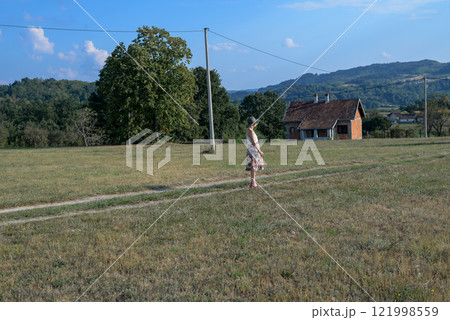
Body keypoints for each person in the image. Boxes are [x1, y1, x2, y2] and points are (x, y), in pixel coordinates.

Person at [246, 116, 264, 188]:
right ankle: (253, 183)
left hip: (251, 149)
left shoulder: (248, 130)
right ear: (253, 124)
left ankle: (252, 182)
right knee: (254, 167)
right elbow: (254, 142)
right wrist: (260, 151)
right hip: (254, 150)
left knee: (253, 167)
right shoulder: (250, 131)